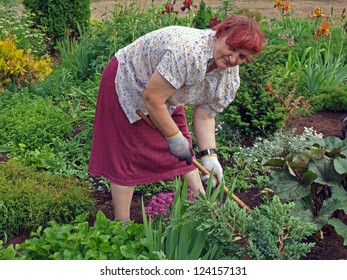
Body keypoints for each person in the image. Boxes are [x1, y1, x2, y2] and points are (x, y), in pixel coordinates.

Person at [88, 15, 267, 222]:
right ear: (220, 34)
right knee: (128, 153)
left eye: (242, 57)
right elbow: (153, 98)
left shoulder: (228, 76)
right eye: (232, 48)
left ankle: (205, 210)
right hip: (129, 81)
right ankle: (122, 225)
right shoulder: (188, 52)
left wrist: (209, 157)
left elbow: (206, 116)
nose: (233, 59)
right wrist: (173, 137)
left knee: (186, 152)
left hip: (168, 93)